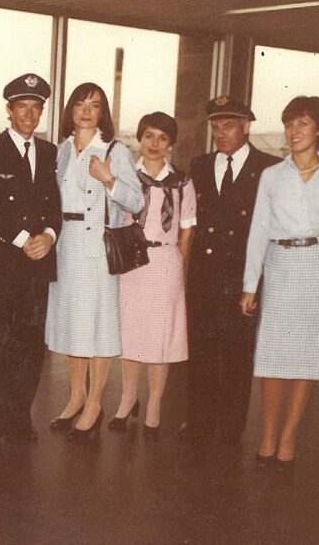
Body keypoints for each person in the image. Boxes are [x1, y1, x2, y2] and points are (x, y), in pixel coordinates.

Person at [240, 96, 319, 469]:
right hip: (280, 266)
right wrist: (251, 284)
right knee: (274, 357)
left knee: (305, 358)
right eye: (289, 124)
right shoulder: (272, 176)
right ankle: (266, 438)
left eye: (302, 124)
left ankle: (288, 437)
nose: (293, 132)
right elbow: (258, 231)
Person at [45, 82, 144, 442]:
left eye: (95, 105)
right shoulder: (60, 151)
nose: (87, 111)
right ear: (70, 110)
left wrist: (109, 179)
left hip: (98, 249)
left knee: (98, 326)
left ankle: (95, 403)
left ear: (103, 114)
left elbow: (136, 201)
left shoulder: (115, 151)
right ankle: (76, 396)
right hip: (67, 245)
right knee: (74, 324)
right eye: (81, 104)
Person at [180, 95, 280, 447]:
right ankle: (199, 420)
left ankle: (231, 425)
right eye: (216, 127)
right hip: (205, 276)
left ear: (246, 127)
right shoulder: (200, 164)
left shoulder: (269, 167)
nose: (220, 134)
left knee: (237, 355)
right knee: (202, 353)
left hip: (242, 276)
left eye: (228, 126)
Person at [0, 73, 61, 452]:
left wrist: (50, 237)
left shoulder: (51, 153)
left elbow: (56, 207)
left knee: (30, 344)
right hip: (7, 263)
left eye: (35, 107)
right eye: (21, 106)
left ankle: (18, 415)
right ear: (9, 110)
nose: (29, 114)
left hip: (39, 263)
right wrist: (25, 239)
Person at [112, 112, 196, 438]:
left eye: (162, 138)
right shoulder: (126, 177)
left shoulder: (182, 181)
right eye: (148, 136)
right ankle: (127, 398)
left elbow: (188, 229)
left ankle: (155, 404)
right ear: (139, 138)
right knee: (131, 335)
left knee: (161, 338)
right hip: (133, 261)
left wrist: (180, 266)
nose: (154, 144)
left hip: (165, 260)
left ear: (170, 143)